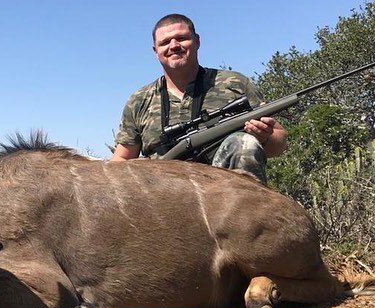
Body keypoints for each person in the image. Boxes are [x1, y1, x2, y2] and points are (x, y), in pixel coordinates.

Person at [110, 14, 286, 183]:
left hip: (223, 192)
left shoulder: (235, 83)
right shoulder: (139, 100)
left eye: (181, 38)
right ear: (156, 51)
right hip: (160, 193)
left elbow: (279, 142)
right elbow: (123, 157)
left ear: (197, 41)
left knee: (244, 143)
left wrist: (264, 137)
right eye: (164, 42)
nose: (174, 45)